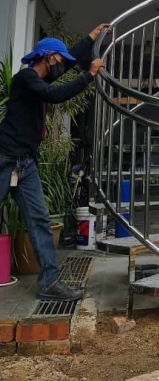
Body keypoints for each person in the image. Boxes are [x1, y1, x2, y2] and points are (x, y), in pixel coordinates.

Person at [0, 24, 108, 301]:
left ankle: (49, 284)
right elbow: (56, 95)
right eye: (59, 61)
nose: (62, 66)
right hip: (4, 159)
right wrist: (90, 74)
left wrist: (91, 36)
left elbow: (68, 60)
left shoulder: (41, 79)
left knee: (40, 223)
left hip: (24, 165)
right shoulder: (26, 79)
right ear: (48, 57)